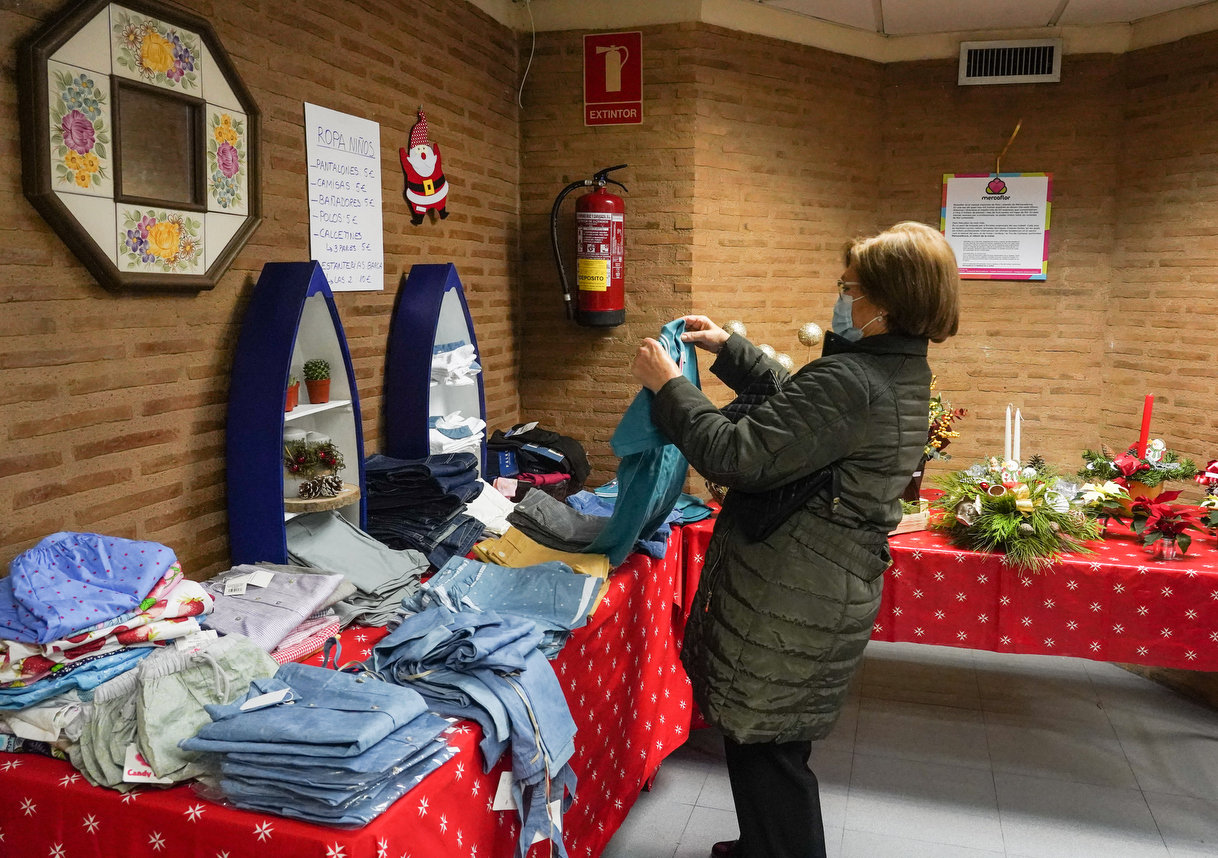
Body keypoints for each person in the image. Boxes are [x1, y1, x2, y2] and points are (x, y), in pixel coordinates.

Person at [630, 221, 960, 858]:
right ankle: (763, 845)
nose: (841, 297)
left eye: (849, 287)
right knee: (767, 736)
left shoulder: (853, 380)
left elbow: (736, 454)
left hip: (794, 589)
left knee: (768, 751)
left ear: (884, 305)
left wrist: (669, 386)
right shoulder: (892, 369)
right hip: (818, 583)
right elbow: (801, 413)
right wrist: (732, 351)